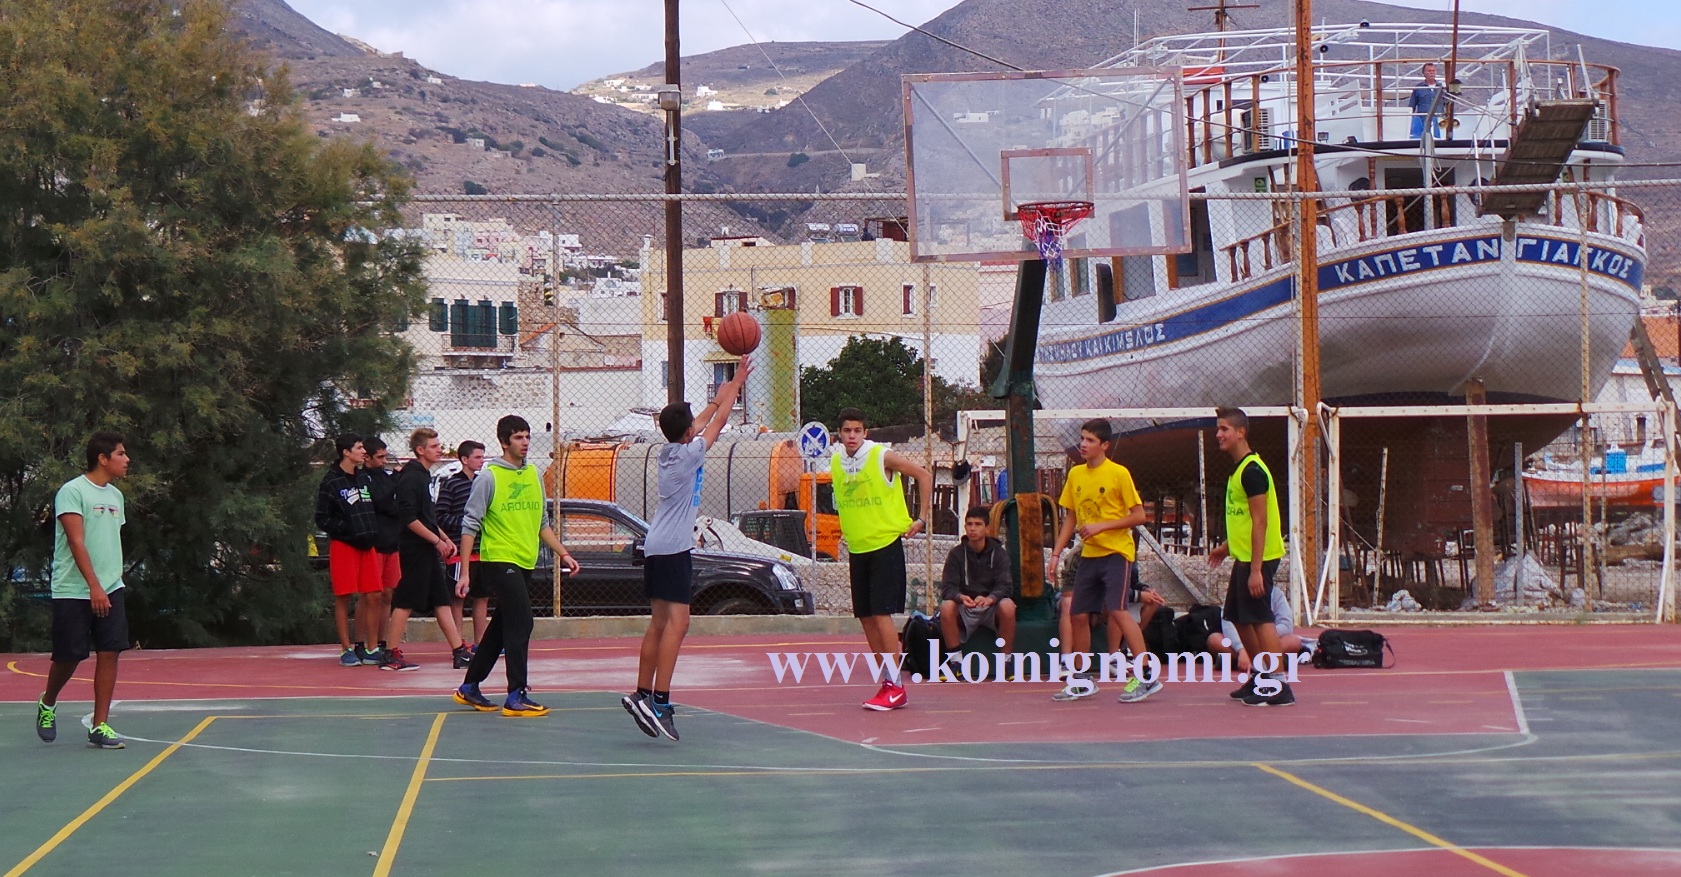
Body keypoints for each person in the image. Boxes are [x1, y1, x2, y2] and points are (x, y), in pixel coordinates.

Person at [622, 356, 751, 741]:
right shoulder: (689, 452)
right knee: (679, 624)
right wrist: (736, 384)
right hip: (673, 548)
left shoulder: (670, 450)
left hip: (657, 545)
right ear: (687, 432)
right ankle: (660, 702)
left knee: (660, 624)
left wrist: (720, 395)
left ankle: (642, 693)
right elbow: (719, 423)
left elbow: (704, 420)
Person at [452, 415, 580, 717]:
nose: (525, 443)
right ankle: (516, 694)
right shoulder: (489, 477)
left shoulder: (534, 474)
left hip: (524, 560)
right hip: (499, 559)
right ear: (504, 442)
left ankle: (469, 686)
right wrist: (465, 572)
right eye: (518, 437)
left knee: (501, 627)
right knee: (522, 622)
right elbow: (470, 525)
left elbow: (542, 524)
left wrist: (563, 553)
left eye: (527, 436)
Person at [1048, 419, 1159, 704]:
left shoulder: (1118, 473)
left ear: (1105, 445)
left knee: (1118, 610)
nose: (1083, 444)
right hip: (1089, 555)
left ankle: (1146, 674)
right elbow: (1071, 517)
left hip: (1116, 553)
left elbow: (1139, 515)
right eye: (1082, 439)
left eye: (1090, 440)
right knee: (1077, 614)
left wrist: (1102, 526)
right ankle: (1082, 679)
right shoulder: (1076, 474)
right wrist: (1056, 553)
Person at [36, 432, 132, 749]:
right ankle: (48, 702)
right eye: (120, 454)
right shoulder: (72, 492)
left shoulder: (116, 497)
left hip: (111, 587)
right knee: (69, 656)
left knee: (110, 652)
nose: (127, 459)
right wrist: (94, 586)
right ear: (102, 458)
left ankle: (99, 725)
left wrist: (108, 583)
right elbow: (77, 542)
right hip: (74, 590)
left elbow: (107, 541)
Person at [831, 407, 932, 711]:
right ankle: (888, 682)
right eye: (847, 431)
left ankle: (896, 685)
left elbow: (924, 475)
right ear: (839, 434)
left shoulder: (881, 456)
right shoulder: (836, 461)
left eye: (857, 431)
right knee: (865, 617)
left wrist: (921, 518)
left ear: (865, 433)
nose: (852, 436)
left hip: (885, 544)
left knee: (881, 614)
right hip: (857, 548)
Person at [1208, 407, 1294, 706]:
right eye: (1218, 429)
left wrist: (1257, 570)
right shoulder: (1239, 470)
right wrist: (1227, 546)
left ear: (1241, 432)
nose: (1218, 434)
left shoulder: (1253, 471)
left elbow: (1260, 521)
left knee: (1260, 618)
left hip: (1259, 559)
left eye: (1224, 429)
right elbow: (1242, 518)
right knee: (1237, 617)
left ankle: (1279, 683)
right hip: (1244, 556)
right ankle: (1260, 675)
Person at [380, 428, 472, 671]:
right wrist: (436, 541)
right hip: (414, 549)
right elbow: (409, 518)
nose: (439, 449)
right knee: (405, 600)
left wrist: (444, 537)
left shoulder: (424, 475)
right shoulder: (412, 477)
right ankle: (391, 653)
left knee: (441, 599)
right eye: (433, 446)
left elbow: (426, 517)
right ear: (420, 450)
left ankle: (459, 651)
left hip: (426, 547)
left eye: (438, 445)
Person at [315, 434, 384, 666]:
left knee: (374, 594)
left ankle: (371, 648)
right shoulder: (331, 481)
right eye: (359, 447)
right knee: (344, 596)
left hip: (368, 544)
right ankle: (346, 649)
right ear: (346, 452)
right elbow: (322, 518)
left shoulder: (364, 477)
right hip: (344, 545)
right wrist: (347, 529)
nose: (364, 451)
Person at [936, 505, 1016, 676]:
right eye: (969, 524)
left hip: (991, 607)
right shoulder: (956, 554)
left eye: (978, 524)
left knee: (1008, 606)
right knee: (946, 606)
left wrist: (990, 598)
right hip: (965, 606)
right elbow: (948, 587)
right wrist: (960, 597)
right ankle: (956, 663)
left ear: (987, 529)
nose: (973, 528)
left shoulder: (999, 553)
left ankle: (1006, 662)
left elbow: (1006, 586)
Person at [1205, 587, 1305, 695]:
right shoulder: (1236, 592)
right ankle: (1264, 661)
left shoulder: (1276, 594)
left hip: (1268, 642)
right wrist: (1241, 649)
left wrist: (1264, 636)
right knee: (1214, 640)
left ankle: (1245, 661)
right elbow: (1228, 626)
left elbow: (1286, 625)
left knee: (1294, 641)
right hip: (1240, 640)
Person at [436, 440, 486, 649]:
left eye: (483, 457)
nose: (482, 461)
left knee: (482, 596)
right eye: (477, 457)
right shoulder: (451, 484)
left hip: (482, 550)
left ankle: (481, 643)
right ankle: (459, 644)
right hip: (458, 551)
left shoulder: (483, 482)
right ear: (464, 459)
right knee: (458, 597)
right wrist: (467, 524)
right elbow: (440, 516)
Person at [362, 436, 403, 661]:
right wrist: (396, 479)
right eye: (379, 457)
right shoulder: (364, 478)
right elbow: (380, 500)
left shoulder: (386, 477)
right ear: (367, 457)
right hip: (375, 543)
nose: (384, 461)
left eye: (385, 456)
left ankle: (382, 640)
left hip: (391, 541)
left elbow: (394, 504)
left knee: (388, 593)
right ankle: (364, 643)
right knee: (371, 594)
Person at [1407, 62, 1442, 140]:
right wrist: (1409, 120)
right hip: (1423, 120)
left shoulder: (1442, 87)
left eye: (1433, 71)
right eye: (1429, 71)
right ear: (1424, 73)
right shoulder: (1418, 88)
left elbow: (1448, 103)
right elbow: (1412, 106)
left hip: (1439, 121)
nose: (1432, 73)